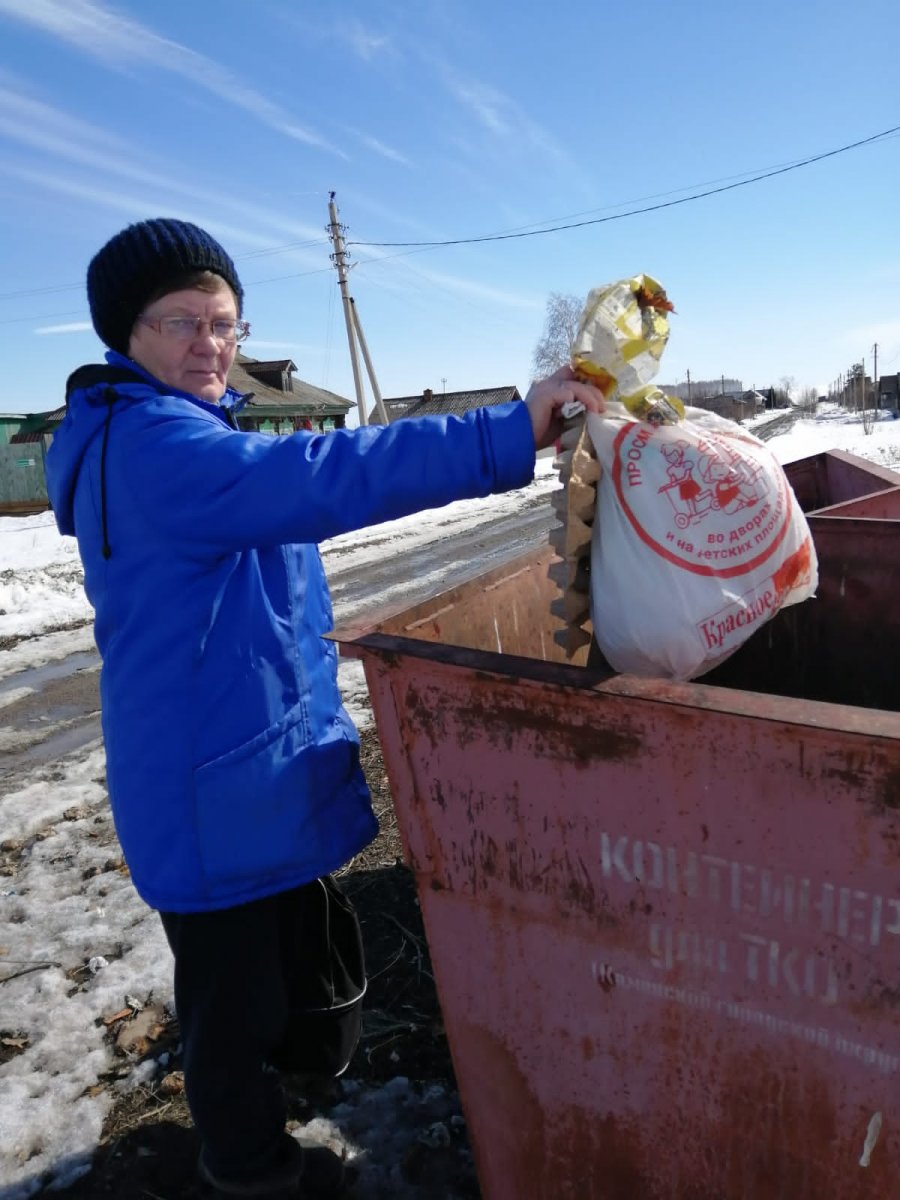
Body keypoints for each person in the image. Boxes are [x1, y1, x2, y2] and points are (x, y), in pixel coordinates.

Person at [45, 217, 604, 1199]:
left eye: (225, 322)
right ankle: (251, 1170)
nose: (211, 345)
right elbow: (324, 478)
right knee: (231, 1007)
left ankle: (282, 1106)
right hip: (211, 787)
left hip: (228, 769)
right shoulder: (157, 446)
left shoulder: (149, 431)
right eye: (183, 323)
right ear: (123, 336)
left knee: (281, 980)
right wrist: (507, 432)